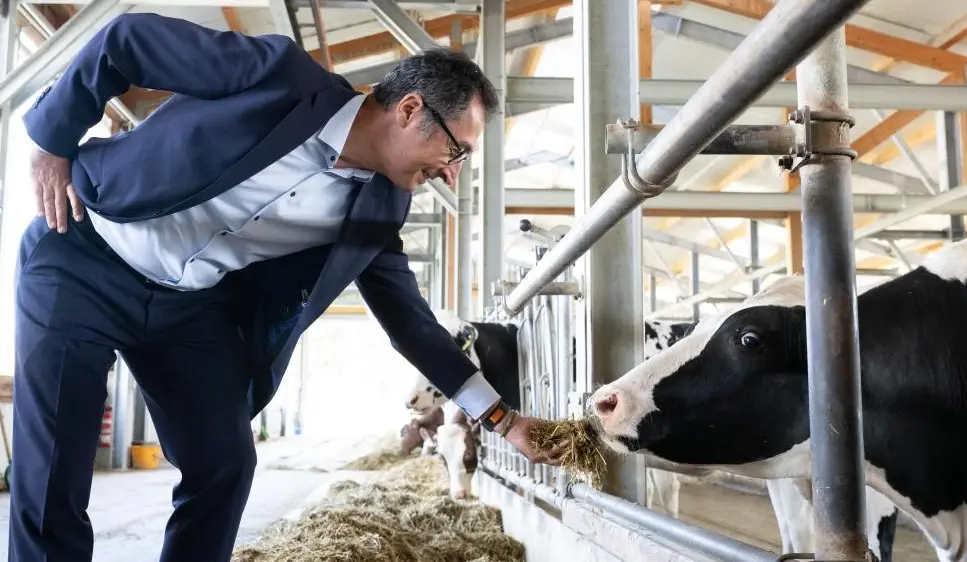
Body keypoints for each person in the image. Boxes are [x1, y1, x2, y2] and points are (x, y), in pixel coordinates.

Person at [11, 13, 566, 562]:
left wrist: (504, 420)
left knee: (224, 464)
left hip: (189, 306)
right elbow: (125, 41)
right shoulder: (278, 76)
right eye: (456, 151)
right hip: (85, 248)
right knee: (56, 461)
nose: (453, 173)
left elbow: (411, 325)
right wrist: (51, 137)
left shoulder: (381, 208)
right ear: (410, 109)